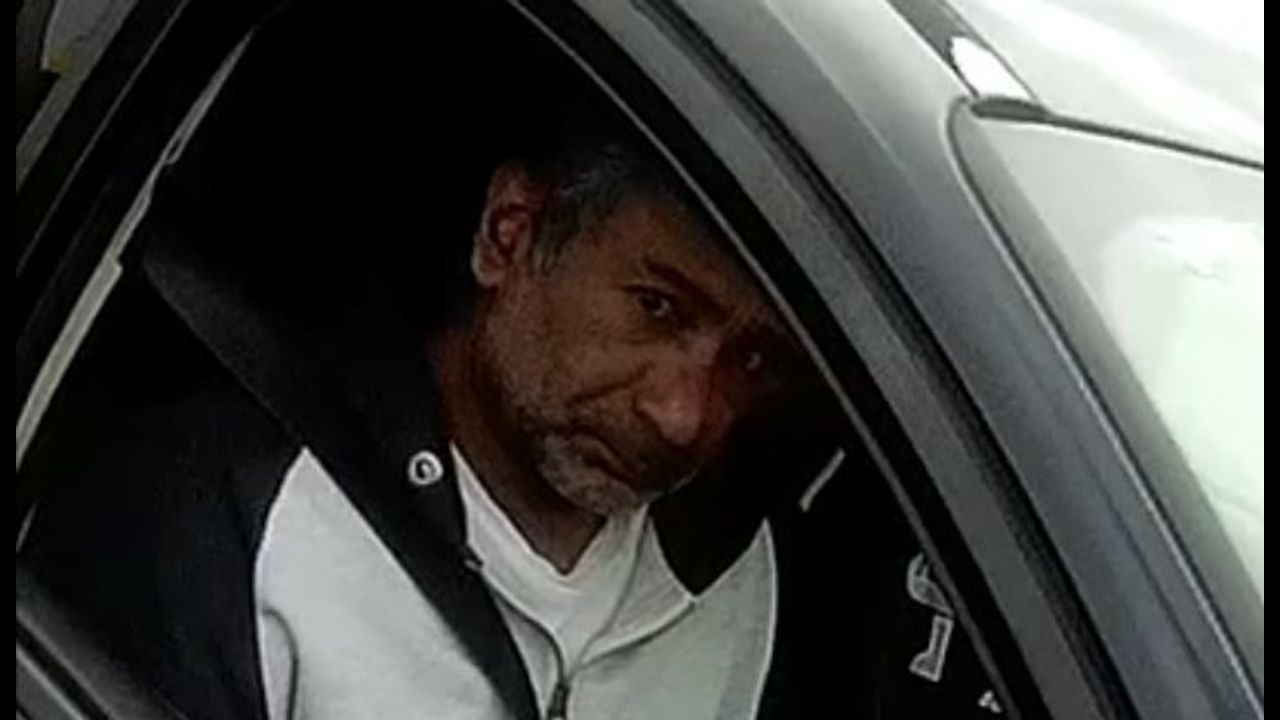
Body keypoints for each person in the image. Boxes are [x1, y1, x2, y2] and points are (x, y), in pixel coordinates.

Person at [18, 31, 824, 716]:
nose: (683, 415)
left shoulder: (742, 571)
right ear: (509, 235)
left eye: (752, 360)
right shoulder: (225, 519)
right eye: (657, 308)